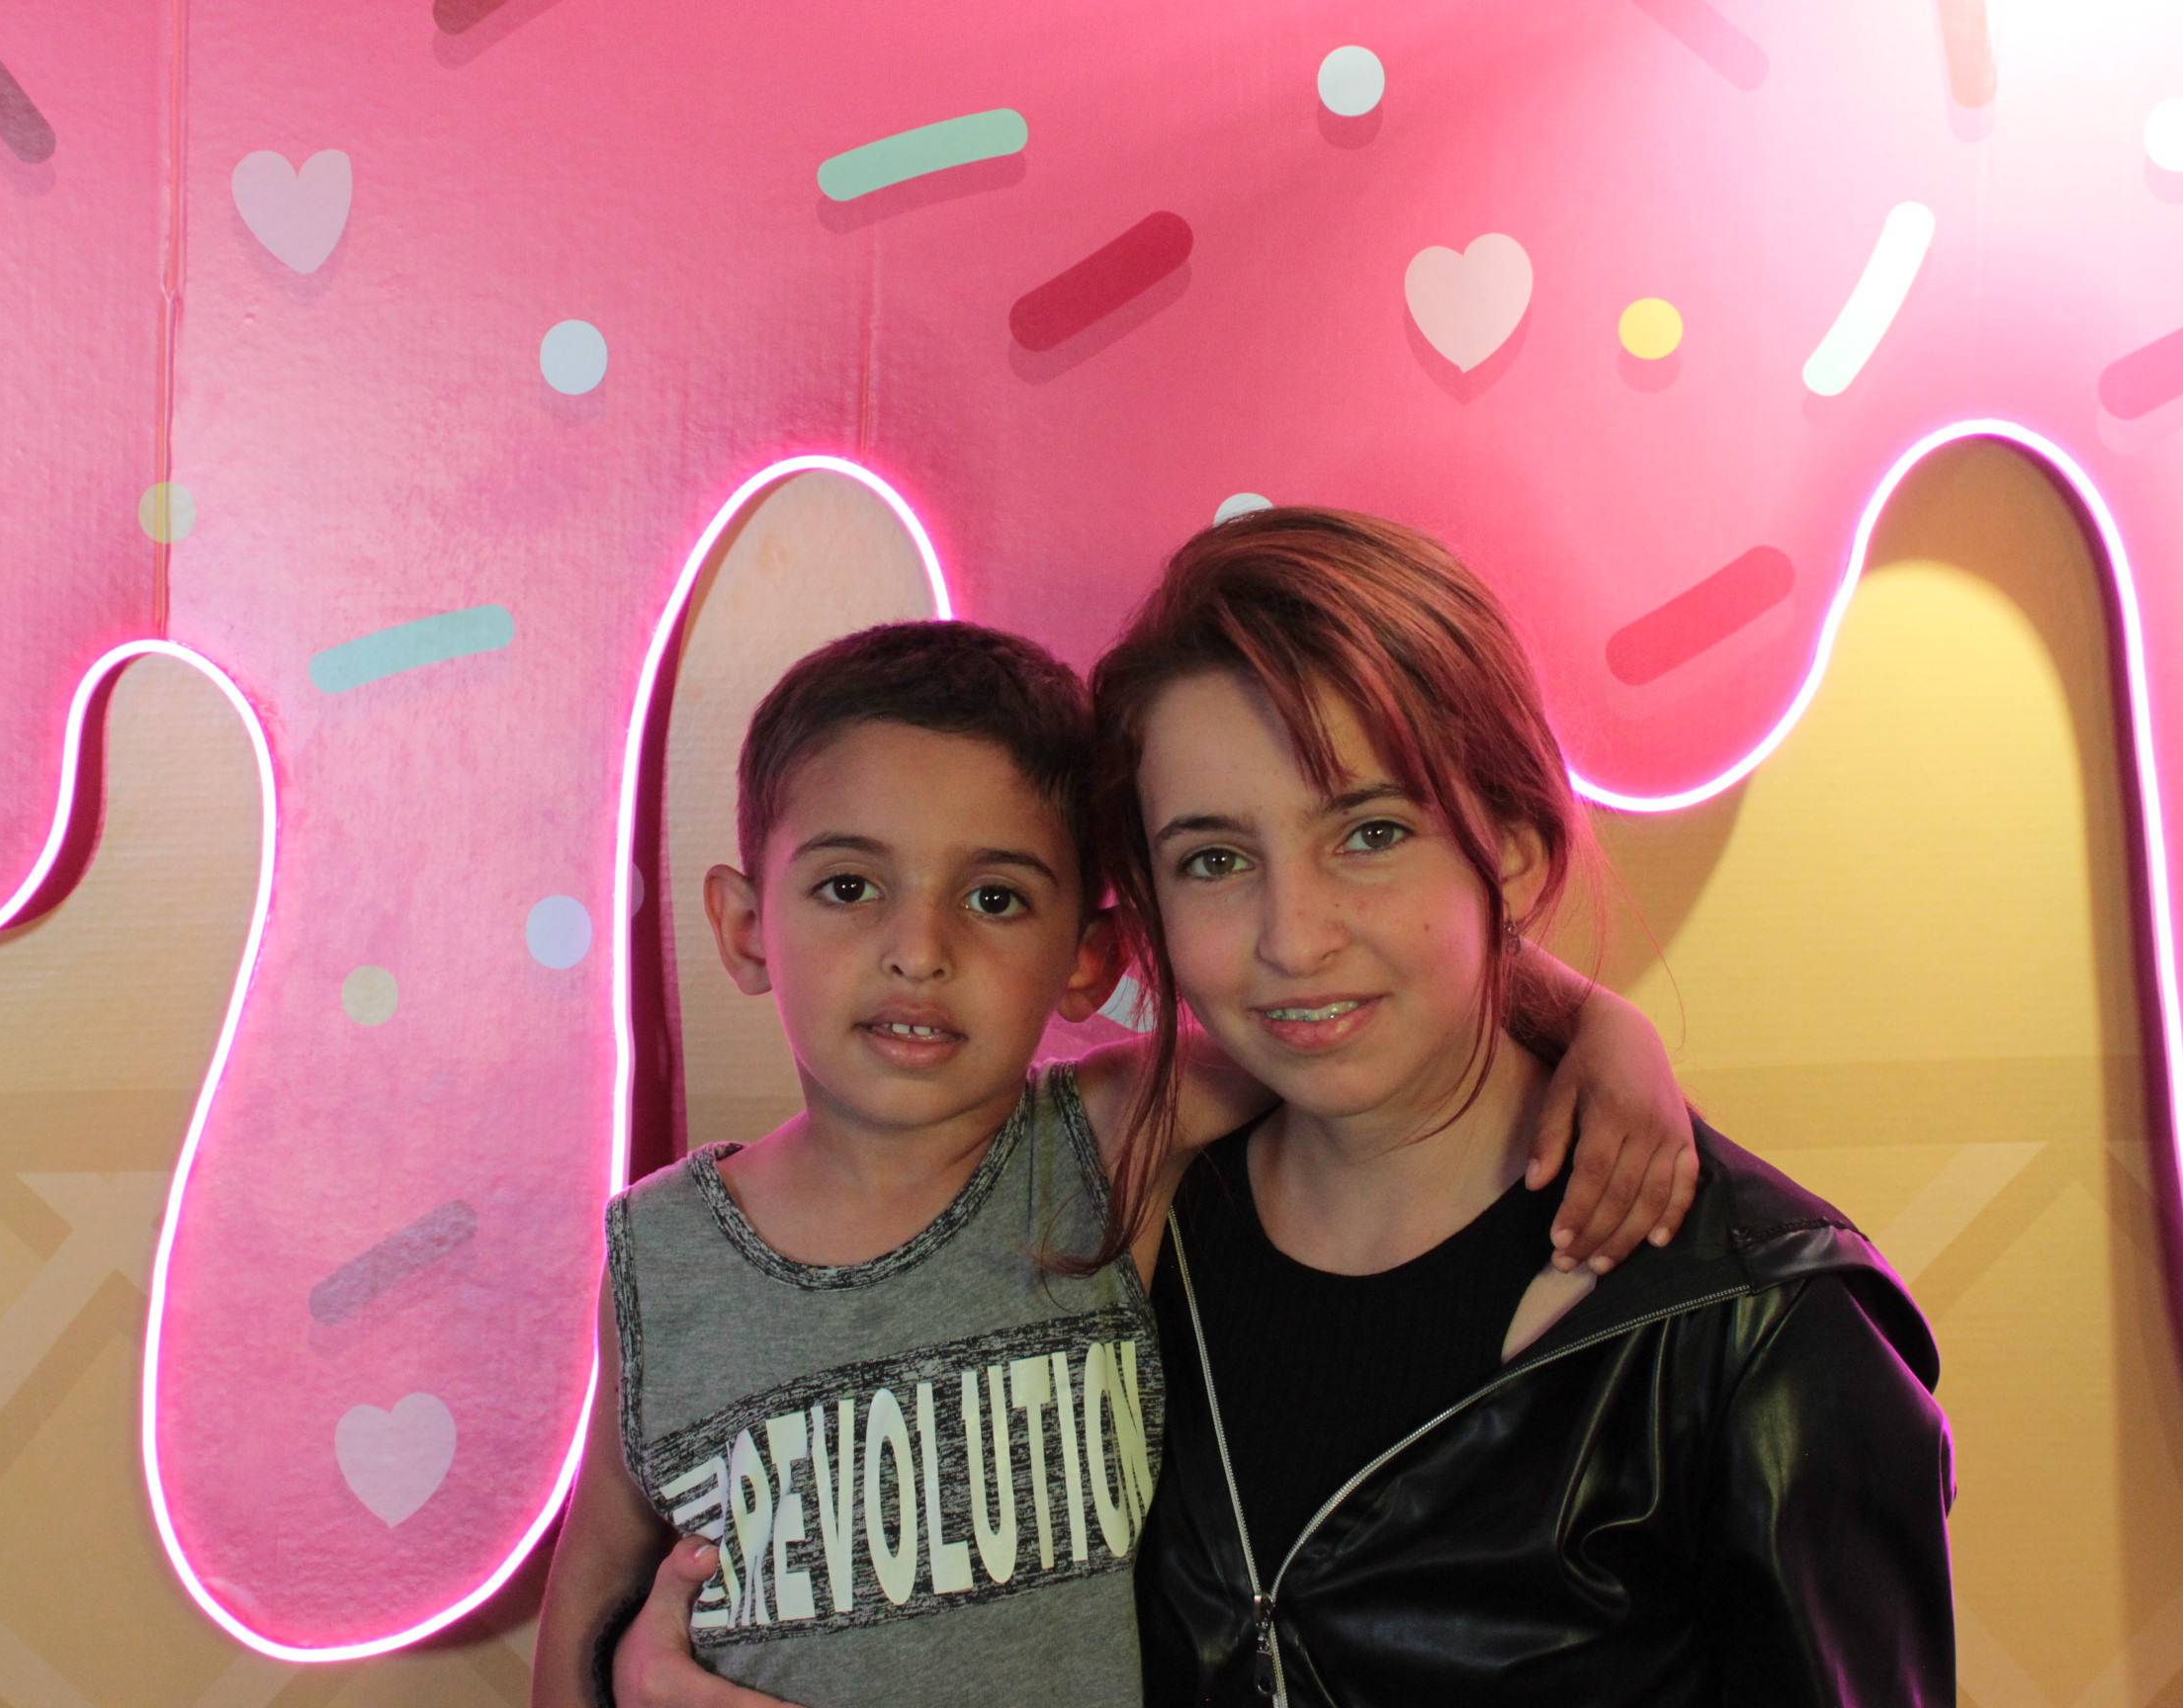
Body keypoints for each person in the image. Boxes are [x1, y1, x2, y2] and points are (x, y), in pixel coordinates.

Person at [531, 620, 1699, 1708]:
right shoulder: (663, 1253)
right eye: (849, 887)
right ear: (745, 927)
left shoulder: (1105, 1143)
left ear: (1090, 960)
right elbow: (587, 1603)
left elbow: (1358, 994)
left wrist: (1605, 1028)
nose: (918, 951)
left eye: (995, 898)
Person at [1092, 508, 1957, 1704]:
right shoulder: (1122, 1237)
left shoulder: (1759, 1320)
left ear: (1513, 849)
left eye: (1371, 833)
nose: (1292, 937)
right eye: (1215, 860)